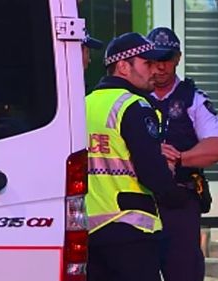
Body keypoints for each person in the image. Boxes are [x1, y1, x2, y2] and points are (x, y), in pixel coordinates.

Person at [85, 32, 188, 281]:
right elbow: (150, 167)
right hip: (131, 225)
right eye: (147, 63)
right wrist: (174, 195)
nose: (154, 70)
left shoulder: (85, 104)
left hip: (90, 227)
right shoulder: (134, 106)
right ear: (123, 66)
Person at [146, 27, 218, 281]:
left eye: (167, 59)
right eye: (155, 59)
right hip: (142, 203)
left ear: (178, 58)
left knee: (183, 271)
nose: (160, 67)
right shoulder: (132, 98)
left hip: (180, 203)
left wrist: (178, 157)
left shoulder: (193, 99)